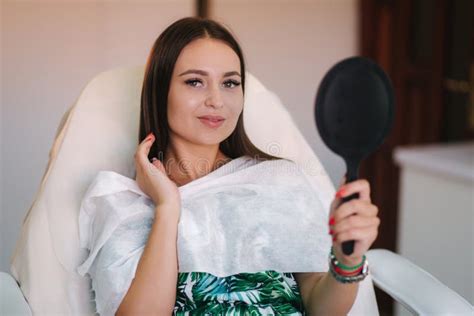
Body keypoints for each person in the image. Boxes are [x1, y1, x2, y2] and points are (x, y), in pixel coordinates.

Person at [78, 17, 380, 316]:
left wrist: (346, 262)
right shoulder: (122, 202)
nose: (217, 100)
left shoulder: (277, 182)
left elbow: (319, 306)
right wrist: (168, 208)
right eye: (195, 81)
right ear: (160, 90)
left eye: (230, 83)